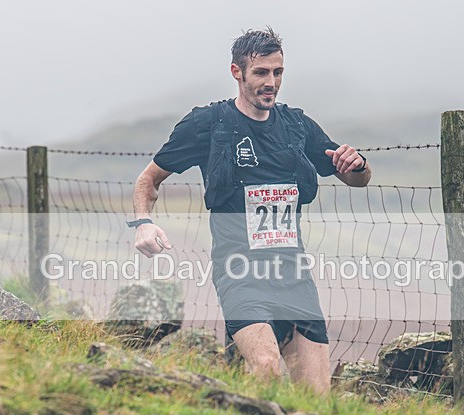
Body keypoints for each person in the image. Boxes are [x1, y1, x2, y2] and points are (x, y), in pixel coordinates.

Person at [130, 27, 371, 394]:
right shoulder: (208, 125)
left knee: (319, 397)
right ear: (236, 72)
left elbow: (358, 178)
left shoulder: (297, 126)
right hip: (240, 272)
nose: (270, 82)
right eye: (261, 73)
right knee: (266, 368)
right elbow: (148, 180)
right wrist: (143, 224)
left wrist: (358, 164)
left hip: (294, 275)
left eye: (277, 73)